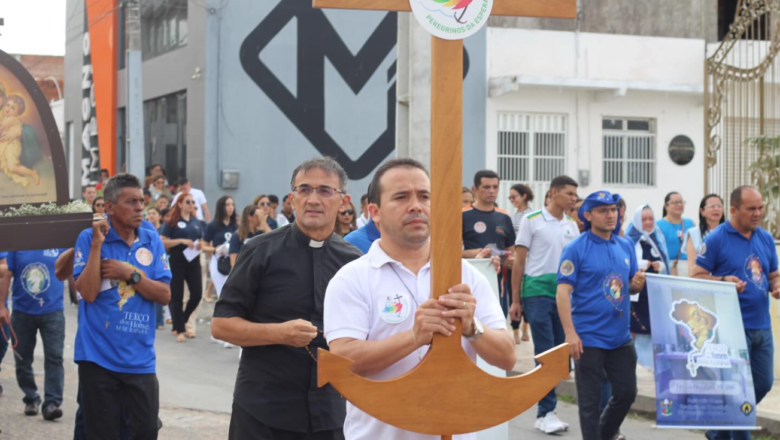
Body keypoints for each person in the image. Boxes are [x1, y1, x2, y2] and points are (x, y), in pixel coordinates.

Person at [324, 158, 515, 440]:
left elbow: (507, 357)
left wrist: (472, 327)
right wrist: (414, 336)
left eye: (424, 196)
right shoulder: (352, 278)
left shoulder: (466, 276)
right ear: (374, 212)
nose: (416, 205)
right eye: (401, 197)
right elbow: (342, 361)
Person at [212, 157, 362, 439]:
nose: (313, 199)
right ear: (292, 199)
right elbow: (221, 325)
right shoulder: (259, 251)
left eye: (325, 190)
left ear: (344, 202)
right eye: (304, 190)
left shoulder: (354, 263)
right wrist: (280, 333)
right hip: (263, 409)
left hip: (330, 411)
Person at [72, 174, 171, 440]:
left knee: (147, 430)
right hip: (97, 359)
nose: (140, 207)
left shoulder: (151, 239)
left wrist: (131, 274)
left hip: (140, 361)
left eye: (141, 201)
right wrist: (96, 245)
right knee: (103, 434)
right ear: (110, 207)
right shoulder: (88, 237)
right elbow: (89, 293)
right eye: (132, 202)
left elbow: (164, 295)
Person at [556, 190, 646, 440]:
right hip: (588, 338)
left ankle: (604, 435)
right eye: (603, 211)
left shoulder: (625, 244)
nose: (611, 215)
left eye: (614, 210)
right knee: (589, 403)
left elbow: (625, 287)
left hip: (620, 338)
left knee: (627, 393)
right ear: (588, 215)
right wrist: (570, 334)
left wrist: (636, 285)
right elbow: (562, 293)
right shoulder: (575, 249)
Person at [692, 186, 779, 440]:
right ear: (733, 210)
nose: (758, 213)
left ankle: (718, 430)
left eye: (760, 207)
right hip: (730, 329)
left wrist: (776, 285)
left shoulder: (764, 237)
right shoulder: (717, 238)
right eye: (751, 208)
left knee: (762, 384)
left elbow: (772, 273)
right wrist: (722, 280)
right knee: (738, 390)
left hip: (762, 325)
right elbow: (696, 276)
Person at [510, 175, 579, 434]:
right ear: (554, 193)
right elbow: (518, 262)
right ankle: (547, 411)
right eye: (569, 193)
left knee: (559, 354)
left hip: (563, 296)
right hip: (536, 292)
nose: (574, 198)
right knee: (546, 351)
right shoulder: (532, 220)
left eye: (575, 194)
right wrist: (515, 300)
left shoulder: (573, 225)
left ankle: (546, 411)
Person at [0, 248, 68, 421]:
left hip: (53, 311)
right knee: (22, 359)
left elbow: (70, 269)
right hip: (22, 312)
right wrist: (1, 305)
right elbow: (6, 273)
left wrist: (78, 298)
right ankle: (31, 397)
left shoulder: (58, 244)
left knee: (54, 357)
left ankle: (51, 403)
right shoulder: (18, 245)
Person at [462, 170, 516, 325]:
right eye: (486, 187)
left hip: (498, 281)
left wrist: (509, 260)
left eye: (495, 187)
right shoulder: (463, 215)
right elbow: (449, 253)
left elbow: (511, 251)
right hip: (469, 282)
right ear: (475, 190)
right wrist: (474, 253)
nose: (491, 191)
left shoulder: (504, 217)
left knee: (497, 323)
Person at [160, 192, 203, 343]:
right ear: (179, 204)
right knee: (177, 295)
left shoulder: (196, 222)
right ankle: (179, 330)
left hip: (193, 260)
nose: (191, 205)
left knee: (197, 294)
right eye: (188, 202)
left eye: (192, 202)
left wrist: (199, 245)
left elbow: (201, 240)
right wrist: (181, 241)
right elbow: (163, 242)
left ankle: (182, 320)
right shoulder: (172, 222)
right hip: (177, 260)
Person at [625, 205, 670, 338]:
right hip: (637, 293)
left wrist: (660, 266)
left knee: (654, 330)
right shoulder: (629, 240)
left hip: (655, 293)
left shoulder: (657, 239)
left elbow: (665, 261)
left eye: (651, 218)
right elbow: (624, 262)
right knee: (637, 329)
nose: (648, 222)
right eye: (644, 219)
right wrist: (641, 264)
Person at [0, 94, 40, 187]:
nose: (8, 109)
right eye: (8, 105)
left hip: (12, 147)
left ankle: (32, 173)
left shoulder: (12, 119)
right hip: (6, 144)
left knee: (12, 168)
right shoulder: (6, 116)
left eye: (13, 108)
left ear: (18, 113)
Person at [203, 196, 237, 299]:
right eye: (227, 205)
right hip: (219, 262)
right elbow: (203, 247)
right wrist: (215, 249)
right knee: (222, 294)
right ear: (221, 207)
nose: (231, 207)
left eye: (232, 205)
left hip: (233, 262)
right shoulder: (212, 225)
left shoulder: (235, 226)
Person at [685, 194, 725, 275]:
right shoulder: (693, 233)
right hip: (703, 281)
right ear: (702, 211)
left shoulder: (729, 232)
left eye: (719, 206)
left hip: (725, 281)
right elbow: (692, 266)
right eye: (712, 206)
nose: (716, 209)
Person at [656, 192, 695, 276]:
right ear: (666, 206)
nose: (679, 205)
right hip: (668, 268)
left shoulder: (690, 223)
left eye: (681, 202)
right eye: (675, 202)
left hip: (688, 267)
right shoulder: (658, 225)